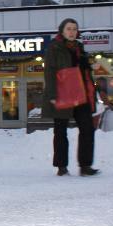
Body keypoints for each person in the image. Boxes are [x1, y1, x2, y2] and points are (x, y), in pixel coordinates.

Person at [42, 18, 99, 176]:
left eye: (74, 29)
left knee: (87, 128)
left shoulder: (79, 48)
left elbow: (82, 70)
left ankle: (85, 165)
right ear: (62, 30)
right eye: (69, 29)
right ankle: (61, 166)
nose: (72, 32)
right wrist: (52, 95)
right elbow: (50, 72)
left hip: (81, 94)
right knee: (60, 132)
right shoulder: (54, 48)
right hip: (62, 94)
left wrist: (90, 65)